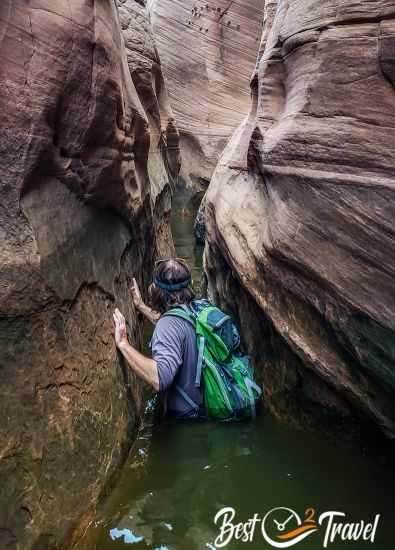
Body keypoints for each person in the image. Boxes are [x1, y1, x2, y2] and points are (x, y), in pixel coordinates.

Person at [113, 258, 203, 418]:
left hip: (183, 421)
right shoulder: (197, 308)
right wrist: (140, 305)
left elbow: (159, 378)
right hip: (202, 407)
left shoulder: (168, 326)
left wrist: (123, 344)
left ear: (159, 291)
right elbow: (172, 325)